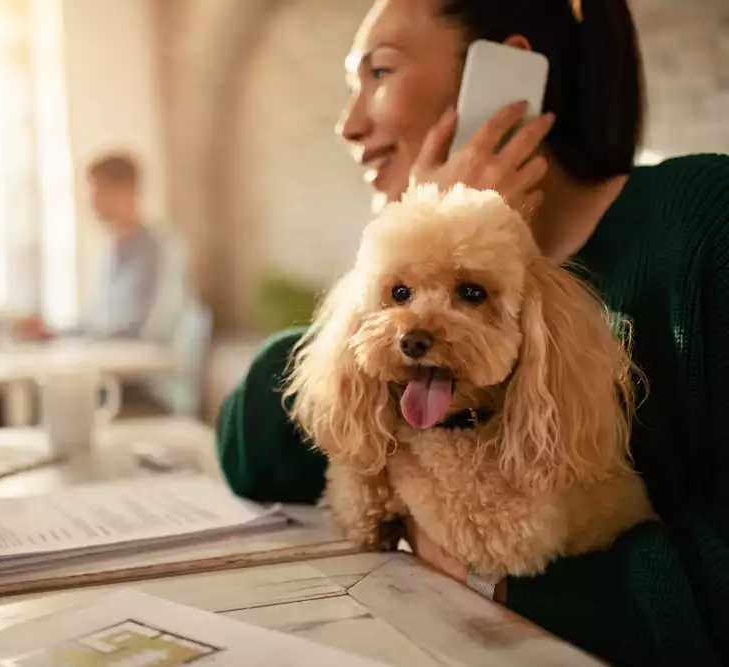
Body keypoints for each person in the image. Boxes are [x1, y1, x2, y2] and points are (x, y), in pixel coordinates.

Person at [215, 0, 729, 665]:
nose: (347, 124)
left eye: (379, 72)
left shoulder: (703, 225)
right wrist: (415, 235)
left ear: (505, 78)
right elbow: (250, 448)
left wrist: (509, 583)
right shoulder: (405, 321)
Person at [16, 152, 160, 341]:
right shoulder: (112, 252)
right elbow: (96, 322)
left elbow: (133, 328)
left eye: (99, 189)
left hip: (138, 362)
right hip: (108, 356)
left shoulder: (155, 252)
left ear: (125, 191)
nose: (92, 201)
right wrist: (53, 333)